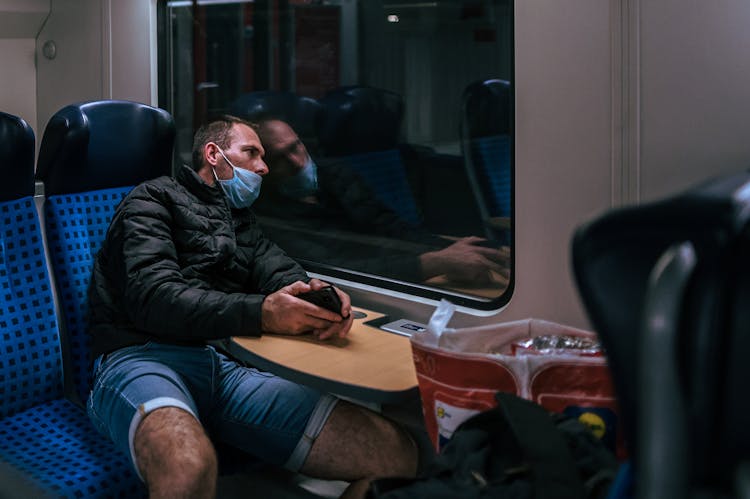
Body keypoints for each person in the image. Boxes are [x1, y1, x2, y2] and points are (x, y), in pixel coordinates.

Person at [86, 115, 418, 499]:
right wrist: (262, 313)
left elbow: (279, 271)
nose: (263, 167)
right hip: (140, 357)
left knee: (396, 454)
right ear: (213, 154)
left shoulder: (241, 222)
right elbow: (153, 297)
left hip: (224, 366)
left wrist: (317, 295)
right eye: (251, 153)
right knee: (188, 468)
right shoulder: (151, 200)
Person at [254, 118, 510, 285]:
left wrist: (454, 249)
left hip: (402, 269)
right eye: (280, 158)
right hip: (368, 289)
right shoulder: (268, 215)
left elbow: (390, 226)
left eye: (296, 147)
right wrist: (436, 261)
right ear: (263, 168)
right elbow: (336, 269)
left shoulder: (335, 174)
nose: (298, 162)